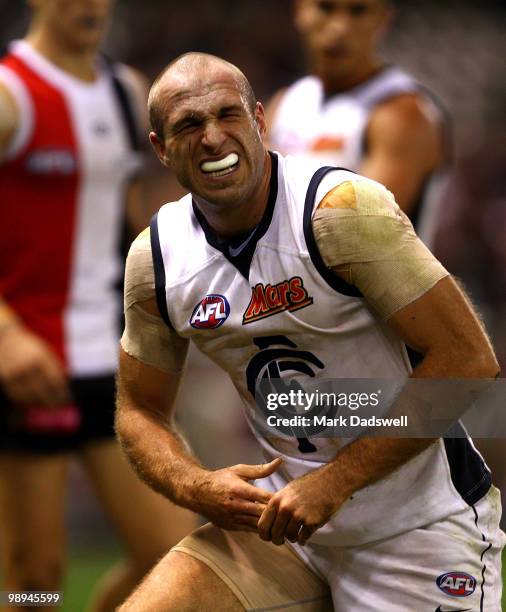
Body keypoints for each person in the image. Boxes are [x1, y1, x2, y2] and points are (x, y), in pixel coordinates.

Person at [115, 52, 504, 611]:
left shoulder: (341, 212)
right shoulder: (157, 259)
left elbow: (468, 361)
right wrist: (193, 485)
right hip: (282, 529)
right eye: (189, 125)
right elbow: (139, 409)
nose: (213, 138)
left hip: (418, 527)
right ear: (159, 148)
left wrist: (332, 483)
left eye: (227, 115)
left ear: (259, 121)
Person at [0, 1, 195, 610]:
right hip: (30, 372)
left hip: (114, 364)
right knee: (35, 580)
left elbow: (133, 221)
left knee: (180, 556)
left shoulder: (125, 89)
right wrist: (4, 334)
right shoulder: (10, 93)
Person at [267, 0, 450, 245]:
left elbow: (358, 231)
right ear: (300, 11)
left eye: (358, 11)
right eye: (326, 8)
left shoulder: (403, 114)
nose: (340, 28)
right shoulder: (284, 103)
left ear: (383, 19)